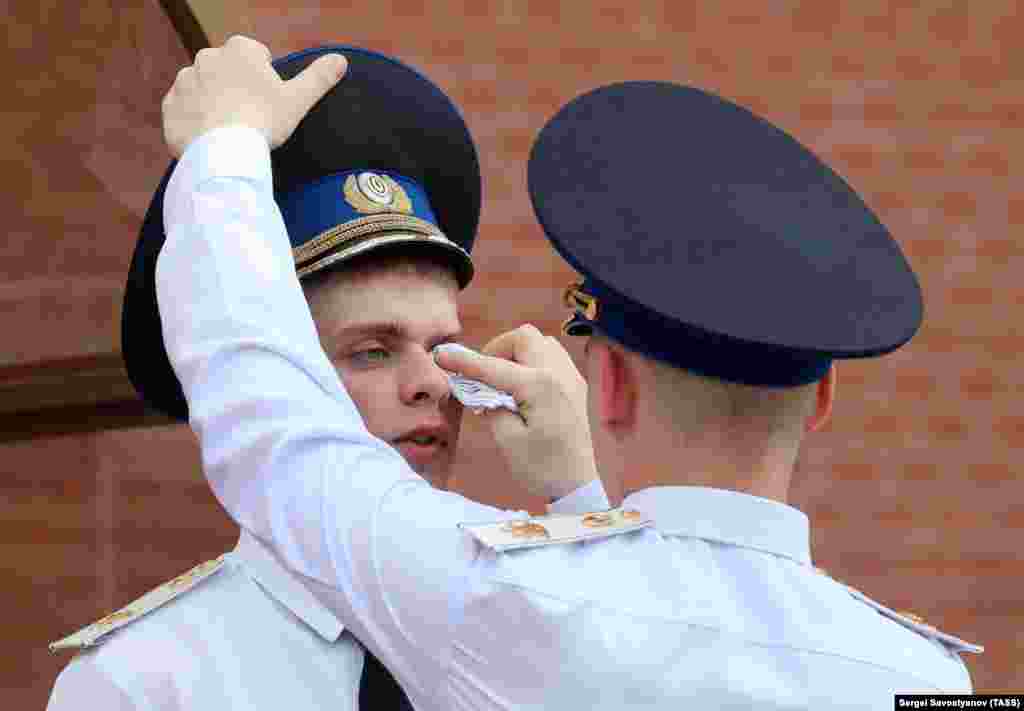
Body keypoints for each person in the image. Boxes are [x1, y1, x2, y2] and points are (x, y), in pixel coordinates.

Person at [154, 36, 983, 709]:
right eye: (373, 350)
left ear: (609, 386)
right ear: (822, 401)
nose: (429, 383)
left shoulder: (509, 605)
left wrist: (224, 150)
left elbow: (271, 427)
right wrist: (587, 495)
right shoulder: (930, 678)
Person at [46, 45, 609, 710]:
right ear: (273, 374)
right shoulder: (148, 678)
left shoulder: (527, 616)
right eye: (372, 350)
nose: (430, 382)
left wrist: (581, 497)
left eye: (443, 346)